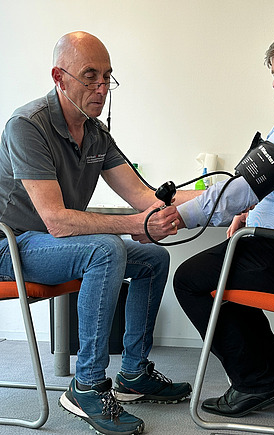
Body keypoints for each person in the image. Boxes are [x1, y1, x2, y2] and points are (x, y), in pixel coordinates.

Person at [0, 31, 197, 435]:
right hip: (11, 245)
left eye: (108, 77)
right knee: (106, 250)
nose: (102, 88)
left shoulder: (96, 133)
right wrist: (137, 225)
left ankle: (133, 373)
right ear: (60, 76)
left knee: (153, 258)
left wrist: (219, 199)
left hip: (55, 246)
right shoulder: (26, 125)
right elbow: (56, 220)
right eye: (90, 76)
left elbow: (144, 197)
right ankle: (87, 384)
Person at [173, 25, 274, 418]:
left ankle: (254, 382)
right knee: (224, 266)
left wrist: (179, 215)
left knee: (192, 279)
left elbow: (247, 183)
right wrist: (251, 211)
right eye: (273, 72)